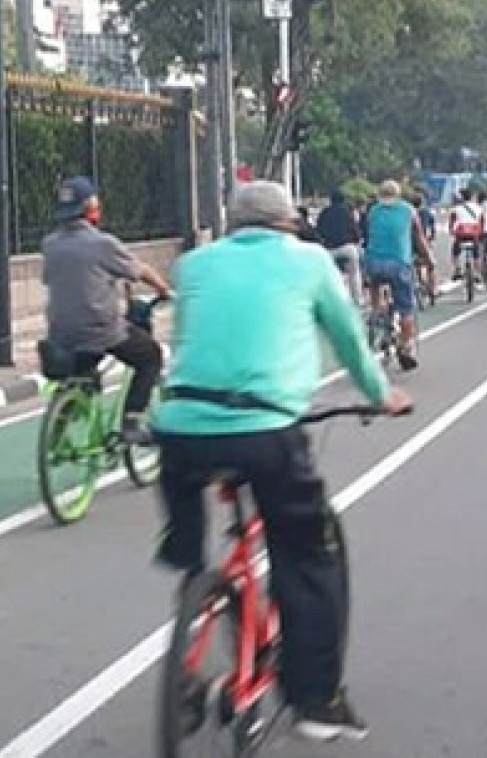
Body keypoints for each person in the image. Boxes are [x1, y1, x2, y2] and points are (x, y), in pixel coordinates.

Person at [153, 180, 411, 741]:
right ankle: (317, 701)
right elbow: (348, 341)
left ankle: (194, 592)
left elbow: (197, 343)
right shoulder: (309, 261)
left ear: (234, 223)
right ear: (289, 223)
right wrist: (381, 393)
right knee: (310, 555)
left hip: (181, 431)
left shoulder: (194, 266)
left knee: (188, 535)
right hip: (267, 432)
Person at [42, 176, 171, 444]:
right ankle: (132, 422)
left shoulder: (50, 244)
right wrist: (163, 289)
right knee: (150, 356)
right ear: (91, 207)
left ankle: (60, 424)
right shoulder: (102, 244)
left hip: (61, 334)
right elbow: (140, 270)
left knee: (83, 371)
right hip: (101, 331)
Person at [365, 180, 430, 371]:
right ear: (398, 194)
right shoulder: (409, 211)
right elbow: (419, 238)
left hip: (373, 262)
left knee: (376, 283)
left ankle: (377, 313)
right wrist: (428, 259)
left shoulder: (373, 211)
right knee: (406, 308)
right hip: (399, 263)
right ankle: (406, 347)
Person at [316, 189, 363, 305]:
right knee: (354, 273)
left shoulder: (324, 213)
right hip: (347, 248)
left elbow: (319, 231)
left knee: (329, 276)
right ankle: (357, 299)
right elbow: (356, 233)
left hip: (329, 249)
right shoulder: (348, 212)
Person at [448, 187, 485, 281]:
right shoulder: (478, 208)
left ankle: (457, 270)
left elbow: (452, 221)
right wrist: (481, 232)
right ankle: (477, 273)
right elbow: (482, 221)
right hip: (474, 235)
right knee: (477, 254)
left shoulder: (456, 208)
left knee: (454, 252)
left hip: (461, 235)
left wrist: (451, 230)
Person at [408, 193, 438, 299]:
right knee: (431, 265)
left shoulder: (407, 213)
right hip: (423, 241)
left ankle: (417, 284)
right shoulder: (426, 212)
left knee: (412, 264)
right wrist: (432, 238)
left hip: (408, 243)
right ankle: (433, 288)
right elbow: (432, 227)